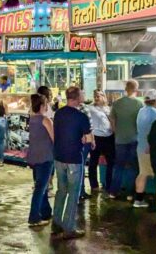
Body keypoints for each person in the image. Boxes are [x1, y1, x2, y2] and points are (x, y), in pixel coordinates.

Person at [51, 87, 93, 239]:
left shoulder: (58, 114)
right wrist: (83, 139)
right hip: (74, 157)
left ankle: (56, 223)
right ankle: (69, 227)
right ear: (77, 97)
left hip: (59, 156)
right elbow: (88, 138)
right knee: (73, 193)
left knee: (61, 190)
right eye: (82, 93)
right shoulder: (81, 116)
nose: (84, 95)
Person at [109, 79, 143, 199]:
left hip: (120, 139)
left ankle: (113, 191)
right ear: (136, 89)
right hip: (134, 139)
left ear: (126, 89)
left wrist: (116, 131)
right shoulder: (139, 104)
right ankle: (130, 193)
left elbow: (112, 120)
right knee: (133, 167)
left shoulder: (117, 103)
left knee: (118, 166)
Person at [27, 94, 54, 227]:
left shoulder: (32, 119)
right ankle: (34, 217)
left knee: (40, 186)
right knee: (40, 188)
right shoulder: (46, 120)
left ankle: (46, 212)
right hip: (45, 156)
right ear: (43, 106)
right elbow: (54, 138)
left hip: (34, 157)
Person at [133, 89, 156, 208]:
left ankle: (138, 199)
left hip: (141, 146)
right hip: (151, 148)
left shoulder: (141, 111)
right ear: (155, 100)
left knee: (142, 172)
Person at [88, 89, 115, 193]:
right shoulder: (91, 108)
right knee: (93, 162)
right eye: (95, 96)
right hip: (97, 137)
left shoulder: (108, 108)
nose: (97, 97)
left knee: (110, 162)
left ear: (104, 96)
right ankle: (94, 185)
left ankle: (109, 184)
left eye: (99, 95)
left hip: (109, 137)